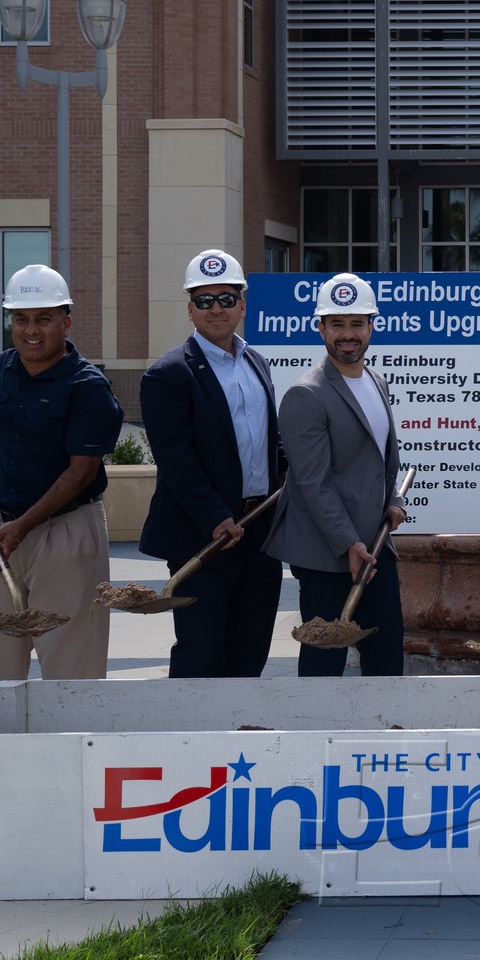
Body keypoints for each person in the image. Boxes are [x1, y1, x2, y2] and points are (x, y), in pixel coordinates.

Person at [0, 264, 121, 683]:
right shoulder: (2, 368)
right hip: (4, 533)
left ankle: (67, 746)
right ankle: (10, 748)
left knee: (70, 669)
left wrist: (23, 526)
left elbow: (81, 472)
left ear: (66, 321)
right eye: (21, 318)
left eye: (44, 318)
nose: (31, 329)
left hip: (65, 534)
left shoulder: (88, 387)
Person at [139, 249, 286, 679]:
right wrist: (214, 517)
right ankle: (186, 743)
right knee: (200, 655)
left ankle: (238, 739)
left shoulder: (257, 363)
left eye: (225, 297)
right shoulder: (168, 375)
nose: (216, 308)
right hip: (203, 539)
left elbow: (269, 444)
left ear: (243, 304)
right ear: (190, 310)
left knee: (250, 651)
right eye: (204, 300)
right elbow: (176, 460)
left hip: (257, 532)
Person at [262, 273, 409, 677]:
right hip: (329, 555)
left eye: (357, 323)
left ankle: (383, 738)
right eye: (337, 324)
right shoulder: (305, 395)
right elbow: (312, 483)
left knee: (385, 656)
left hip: (376, 550)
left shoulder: (376, 381)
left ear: (371, 327)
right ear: (321, 328)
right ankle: (315, 738)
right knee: (323, 663)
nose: (348, 334)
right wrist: (348, 543)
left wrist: (394, 499)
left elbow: (381, 462)